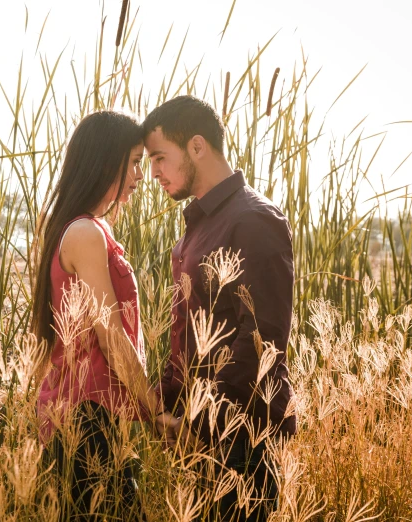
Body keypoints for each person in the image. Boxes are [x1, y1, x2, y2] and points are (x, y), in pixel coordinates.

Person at [143, 95, 297, 521]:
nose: (152, 172)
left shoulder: (252, 220)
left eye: (159, 157)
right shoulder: (202, 224)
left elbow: (263, 339)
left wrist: (197, 418)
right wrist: (157, 403)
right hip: (202, 435)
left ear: (196, 146)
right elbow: (189, 336)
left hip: (242, 439)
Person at [33, 110, 175, 521]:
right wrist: (154, 412)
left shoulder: (94, 229)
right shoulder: (85, 233)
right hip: (84, 422)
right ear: (103, 161)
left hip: (93, 417)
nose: (139, 175)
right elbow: (111, 334)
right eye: (132, 163)